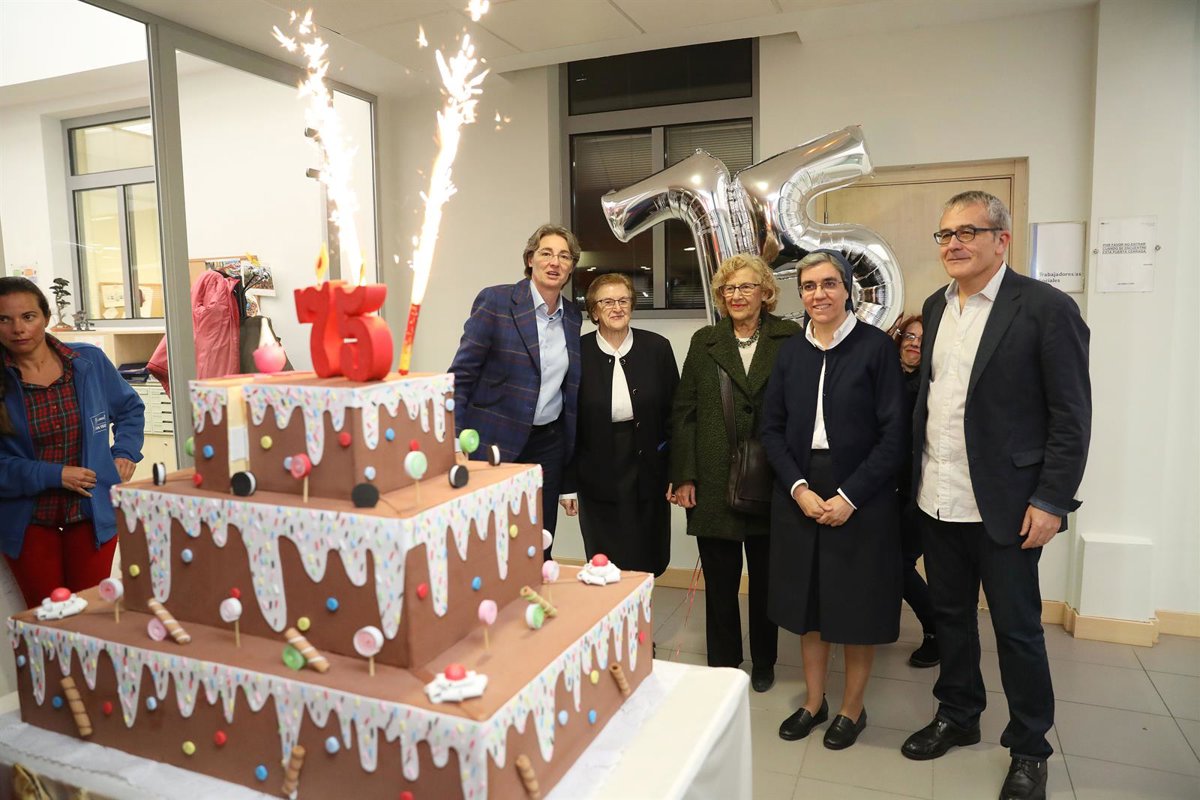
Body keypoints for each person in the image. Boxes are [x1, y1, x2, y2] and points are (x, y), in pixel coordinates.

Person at [900, 191, 1091, 800]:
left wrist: (1052, 499)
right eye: (945, 234)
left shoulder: (1045, 308)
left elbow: (1071, 416)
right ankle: (958, 714)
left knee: (1017, 630)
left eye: (968, 232)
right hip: (938, 496)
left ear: (1001, 240)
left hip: (1008, 505)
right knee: (951, 618)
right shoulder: (936, 306)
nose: (953, 244)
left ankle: (1030, 747)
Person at [761, 250, 905, 749]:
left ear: (848, 289)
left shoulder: (875, 348)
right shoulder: (790, 353)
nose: (818, 294)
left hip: (861, 494)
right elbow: (771, 429)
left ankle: (852, 708)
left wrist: (849, 496)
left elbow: (894, 436)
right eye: (808, 286)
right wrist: (798, 489)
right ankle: (814, 701)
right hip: (800, 490)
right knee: (809, 606)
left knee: (855, 608)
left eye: (828, 284)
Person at [669, 253, 799, 693]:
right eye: (729, 288)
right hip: (712, 480)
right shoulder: (705, 341)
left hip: (771, 479)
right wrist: (684, 475)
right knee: (721, 584)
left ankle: (764, 661)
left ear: (766, 292)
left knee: (766, 583)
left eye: (746, 286)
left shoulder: (789, 338)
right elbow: (684, 412)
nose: (737, 295)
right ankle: (724, 663)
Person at [0, 277, 144, 609]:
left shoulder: (87, 361)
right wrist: (55, 475)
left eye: (28, 317)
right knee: (48, 618)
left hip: (92, 515)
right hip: (29, 522)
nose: (18, 329)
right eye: (4, 319)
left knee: (91, 614)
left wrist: (124, 452)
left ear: (46, 317)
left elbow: (130, 409)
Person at [449, 224, 583, 555]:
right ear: (530, 259)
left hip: (547, 446)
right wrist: (455, 439)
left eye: (564, 256)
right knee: (488, 541)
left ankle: (536, 590)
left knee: (539, 541)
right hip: (493, 440)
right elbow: (461, 376)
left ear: (571, 267)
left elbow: (568, 391)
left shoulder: (572, 316)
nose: (555, 262)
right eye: (546, 253)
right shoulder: (496, 301)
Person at [560, 274, 678, 575]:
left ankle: (643, 603)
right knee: (605, 562)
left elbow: (675, 415)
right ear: (594, 310)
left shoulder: (657, 348)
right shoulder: (577, 352)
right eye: (607, 302)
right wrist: (567, 485)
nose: (617, 308)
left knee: (647, 557)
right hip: (596, 473)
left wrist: (676, 473)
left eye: (623, 300)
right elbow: (567, 424)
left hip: (649, 470)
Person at [892, 313, 939, 668]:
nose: (914, 344)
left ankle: (937, 629)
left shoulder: (933, 388)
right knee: (888, 563)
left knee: (899, 565)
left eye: (922, 340)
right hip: (885, 492)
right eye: (909, 336)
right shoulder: (886, 381)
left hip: (919, 493)